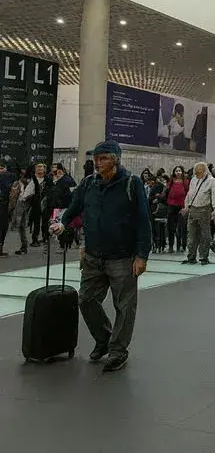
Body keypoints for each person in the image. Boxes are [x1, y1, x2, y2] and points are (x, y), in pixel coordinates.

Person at [50, 140, 150, 372]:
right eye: (96, 158)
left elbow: (143, 221)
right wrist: (61, 223)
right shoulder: (88, 183)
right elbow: (73, 208)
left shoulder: (131, 183)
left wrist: (142, 255)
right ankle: (104, 338)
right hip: (94, 255)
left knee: (124, 306)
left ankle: (118, 350)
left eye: (103, 158)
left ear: (115, 159)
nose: (97, 162)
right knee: (85, 300)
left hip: (123, 258)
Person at [182, 161, 215, 265]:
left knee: (205, 235)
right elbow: (190, 194)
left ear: (205, 171)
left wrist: (214, 210)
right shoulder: (193, 180)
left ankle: (204, 256)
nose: (198, 174)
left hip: (205, 210)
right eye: (196, 172)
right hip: (193, 209)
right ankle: (191, 256)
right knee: (191, 235)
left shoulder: (212, 181)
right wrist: (186, 206)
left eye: (200, 172)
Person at [166, 166, 189, 253]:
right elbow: (166, 191)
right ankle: (171, 246)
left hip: (182, 206)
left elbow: (188, 193)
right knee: (171, 227)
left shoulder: (186, 182)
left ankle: (181, 246)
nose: (178, 172)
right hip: (171, 206)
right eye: (176, 171)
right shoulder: (171, 181)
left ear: (182, 172)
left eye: (179, 171)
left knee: (181, 227)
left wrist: (186, 206)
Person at [29, 163, 51, 247]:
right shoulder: (32, 179)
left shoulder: (48, 179)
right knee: (36, 222)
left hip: (45, 203)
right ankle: (35, 239)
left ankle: (45, 238)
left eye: (41, 167)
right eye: (38, 167)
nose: (40, 169)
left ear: (44, 170)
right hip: (35, 203)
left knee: (45, 222)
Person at [10, 170, 30, 255]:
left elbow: (13, 196)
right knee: (21, 226)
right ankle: (24, 246)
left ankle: (24, 246)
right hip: (21, 205)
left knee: (20, 226)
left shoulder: (29, 184)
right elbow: (13, 195)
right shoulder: (18, 183)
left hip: (23, 206)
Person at [0, 161, 15, 256]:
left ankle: (0, 249)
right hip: (3, 204)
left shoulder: (7, 176)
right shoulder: (7, 177)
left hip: (4, 204)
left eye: (2, 168)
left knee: (4, 227)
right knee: (2, 227)